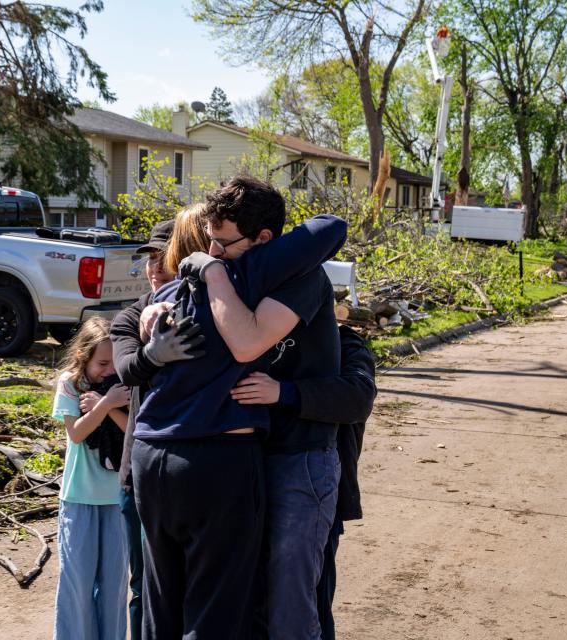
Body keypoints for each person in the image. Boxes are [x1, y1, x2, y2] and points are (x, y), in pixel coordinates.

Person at [131, 198, 347, 639]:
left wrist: (285, 392)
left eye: (221, 242)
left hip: (161, 452)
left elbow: (332, 227)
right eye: (205, 242)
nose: (212, 251)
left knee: (167, 605)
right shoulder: (216, 283)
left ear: (264, 242)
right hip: (218, 458)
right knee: (218, 609)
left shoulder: (221, 282)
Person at [231, 324, 376, 639]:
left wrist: (285, 393)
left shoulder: (343, 340)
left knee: (307, 606)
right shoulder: (255, 336)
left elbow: (359, 396)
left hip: (316, 493)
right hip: (253, 488)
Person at [110, 215, 199, 640]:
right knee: (144, 586)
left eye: (163, 257)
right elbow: (127, 370)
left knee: (191, 589)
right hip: (139, 474)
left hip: (198, 469)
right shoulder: (128, 317)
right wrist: (155, 353)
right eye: (148, 258)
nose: (153, 267)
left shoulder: (207, 308)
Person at [51, 316, 131, 640]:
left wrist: (109, 405)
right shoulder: (69, 383)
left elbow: (134, 434)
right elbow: (77, 433)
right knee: (77, 586)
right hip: (78, 499)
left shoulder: (122, 386)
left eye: (114, 363)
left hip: (116, 500)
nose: (108, 371)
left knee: (114, 588)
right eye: (101, 363)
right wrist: (107, 404)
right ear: (84, 357)